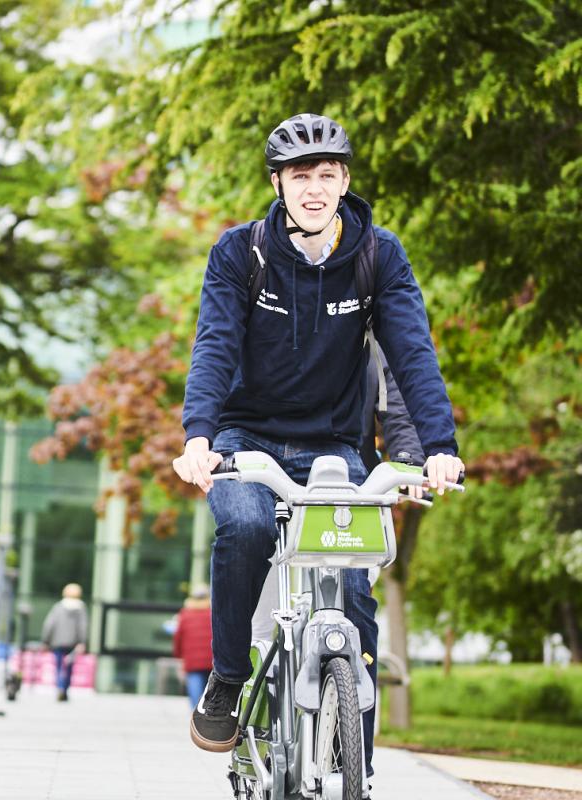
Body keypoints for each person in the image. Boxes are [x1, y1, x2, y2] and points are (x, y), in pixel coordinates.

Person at [171, 114, 465, 785]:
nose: (314, 187)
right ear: (278, 182)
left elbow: (410, 352)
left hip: (334, 440)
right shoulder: (240, 252)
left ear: (345, 181)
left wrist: (438, 447)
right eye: (301, 175)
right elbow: (213, 346)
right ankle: (227, 676)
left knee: (353, 587)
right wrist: (200, 438)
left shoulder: (376, 254)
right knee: (244, 528)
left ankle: (349, 740)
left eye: (326, 174)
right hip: (246, 436)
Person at [40, 583, 88, 701]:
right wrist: (82, 641)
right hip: (73, 643)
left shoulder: (58, 607)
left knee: (59, 666)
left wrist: (45, 640)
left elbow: (49, 624)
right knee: (69, 667)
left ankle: (59, 687)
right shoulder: (81, 608)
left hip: (58, 642)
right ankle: (65, 689)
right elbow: (83, 626)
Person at [172, 585, 214, 708]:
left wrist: (179, 656)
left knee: (196, 697)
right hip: (212, 659)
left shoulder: (185, 614)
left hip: (193, 662)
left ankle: (196, 717)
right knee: (212, 691)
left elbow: (178, 638)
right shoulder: (213, 612)